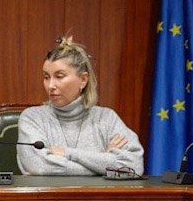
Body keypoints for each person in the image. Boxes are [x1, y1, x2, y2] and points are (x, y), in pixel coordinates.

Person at [17, 37, 144, 176]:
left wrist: (68, 153)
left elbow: (134, 167)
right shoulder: (32, 117)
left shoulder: (107, 118)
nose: (51, 85)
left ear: (83, 80)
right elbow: (39, 166)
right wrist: (103, 163)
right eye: (46, 77)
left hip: (98, 198)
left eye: (59, 76)